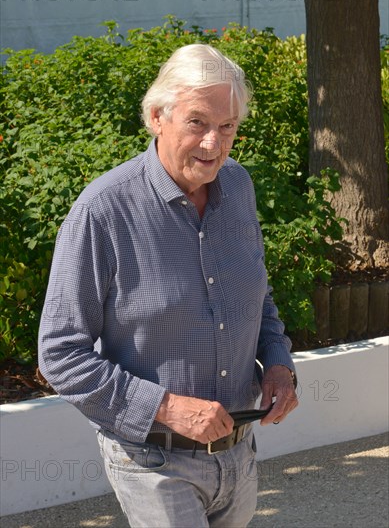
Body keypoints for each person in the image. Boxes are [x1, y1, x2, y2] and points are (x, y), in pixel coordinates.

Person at [38, 44, 298, 528]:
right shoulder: (103, 211)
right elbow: (60, 353)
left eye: (228, 127)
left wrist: (278, 362)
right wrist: (169, 408)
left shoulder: (238, 187)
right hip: (152, 462)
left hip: (238, 455)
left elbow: (256, 294)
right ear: (157, 117)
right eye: (197, 123)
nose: (214, 144)